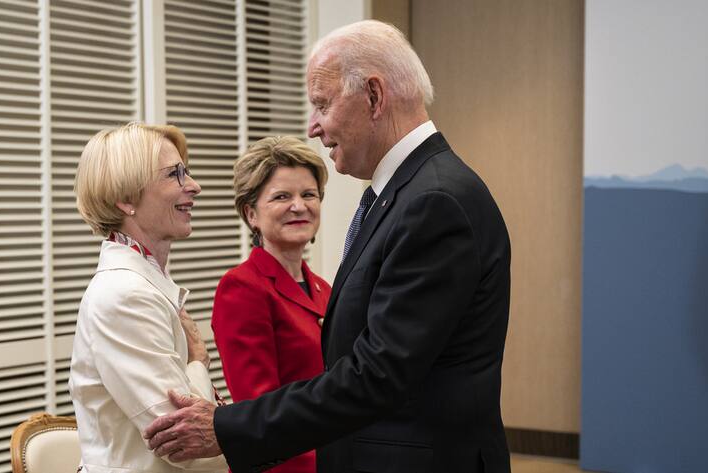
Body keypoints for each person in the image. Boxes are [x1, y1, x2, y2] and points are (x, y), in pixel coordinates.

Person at [143, 20, 512, 473]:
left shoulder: (431, 202)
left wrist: (225, 428)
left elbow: (377, 374)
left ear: (374, 96)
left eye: (321, 105)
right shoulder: (413, 192)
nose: (313, 127)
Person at [69, 122, 227, 472]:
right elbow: (184, 442)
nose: (195, 186)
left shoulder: (144, 282)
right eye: (175, 175)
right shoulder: (124, 294)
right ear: (126, 199)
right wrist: (198, 362)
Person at [211, 136, 332, 473]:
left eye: (308, 194)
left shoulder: (325, 289)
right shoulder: (242, 288)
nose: (299, 206)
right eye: (282, 197)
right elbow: (259, 414)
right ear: (252, 214)